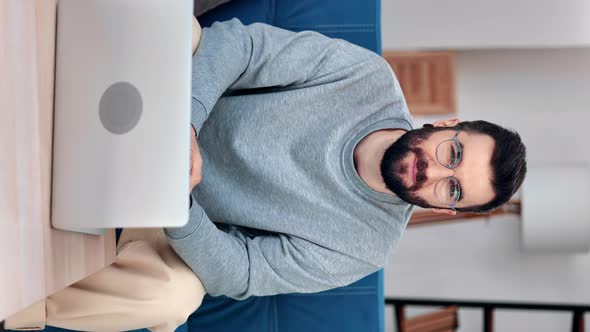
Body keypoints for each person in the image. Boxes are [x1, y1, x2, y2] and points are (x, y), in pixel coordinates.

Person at [5, 17, 526, 332]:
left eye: (451, 188)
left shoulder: (365, 249)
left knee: (171, 297)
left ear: (445, 207)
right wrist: (185, 121)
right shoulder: (368, 77)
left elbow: (243, 273)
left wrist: (178, 203)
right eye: (452, 153)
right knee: (180, 28)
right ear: (448, 125)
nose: (433, 170)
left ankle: (14, 299)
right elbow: (240, 46)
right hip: (172, 103)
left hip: (170, 213)